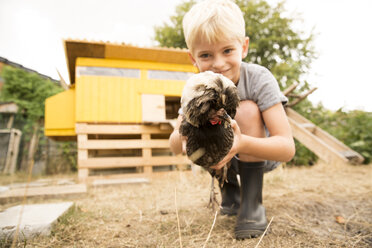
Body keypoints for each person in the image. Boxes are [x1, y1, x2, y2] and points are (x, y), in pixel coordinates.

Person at [169, 0, 295, 239]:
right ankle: (229, 191)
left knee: (244, 110)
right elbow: (174, 145)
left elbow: (287, 149)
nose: (218, 63)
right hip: (220, 159)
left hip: (258, 152)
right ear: (192, 58)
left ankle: (252, 205)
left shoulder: (259, 79)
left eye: (227, 50)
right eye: (206, 55)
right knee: (202, 121)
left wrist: (242, 143)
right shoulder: (196, 87)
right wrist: (185, 131)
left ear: (244, 47)